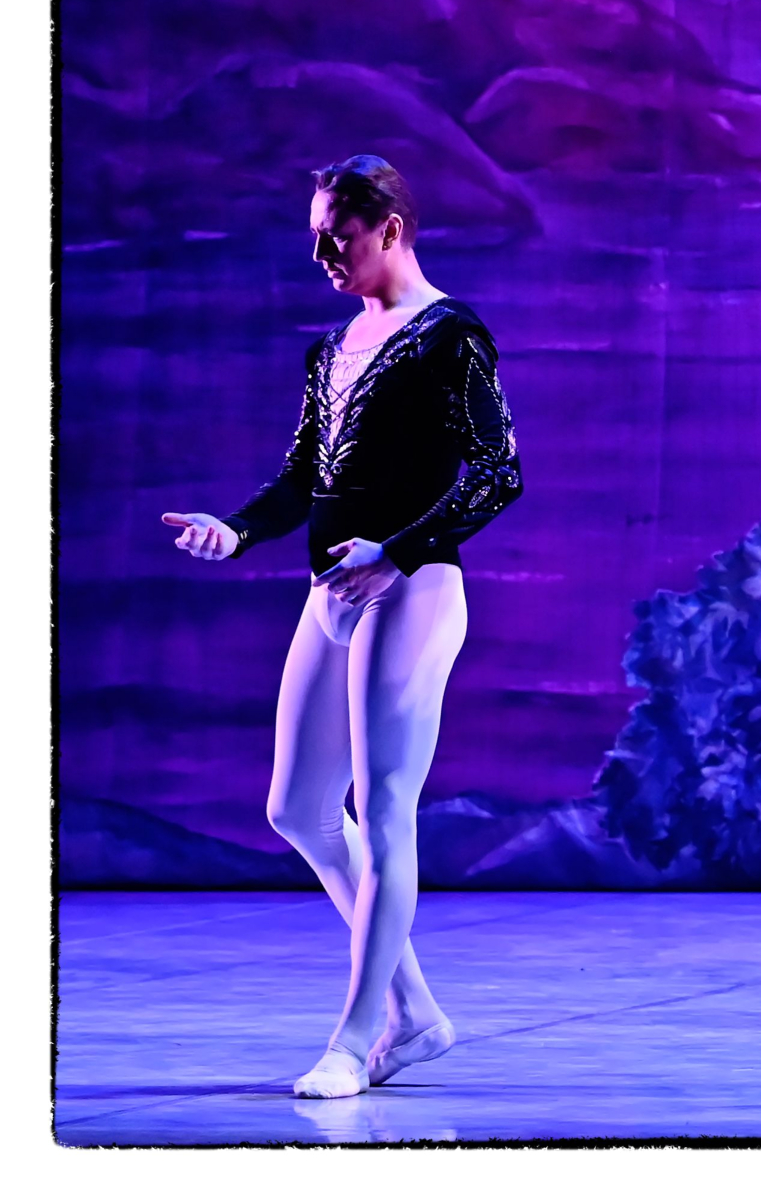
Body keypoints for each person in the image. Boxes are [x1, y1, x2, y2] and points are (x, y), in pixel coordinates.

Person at [162, 155, 523, 1099]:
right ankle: (417, 1012)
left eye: (339, 235)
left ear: (390, 228)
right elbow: (302, 479)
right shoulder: (332, 348)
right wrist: (236, 528)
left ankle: (355, 1039)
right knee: (296, 808)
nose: (324, 252)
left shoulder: (448, 335)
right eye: (318, 236)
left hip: (410, 590)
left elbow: (498, 472)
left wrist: (398, 551)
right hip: (332, 593)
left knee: (385, 808)